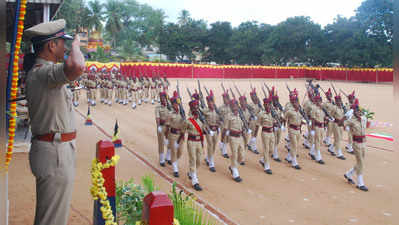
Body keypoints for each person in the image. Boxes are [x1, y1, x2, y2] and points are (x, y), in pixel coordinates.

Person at [24, 19, 85, 225]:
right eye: (62, 43)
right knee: (52, 219)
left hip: (55, 148)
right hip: (54, 151)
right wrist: (77, 45)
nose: (66, 47)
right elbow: (76, 66)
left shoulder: (43, 73)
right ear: (51, 45)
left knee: (54, 216)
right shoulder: (44, 72)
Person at [342, 99, 368, 191]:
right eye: (356, 111)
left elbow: (367, 124)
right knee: (360, 162)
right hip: (356, 143)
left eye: (359, 111)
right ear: (353, 112)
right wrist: (344, 118)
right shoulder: (351, 120)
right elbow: (342, 124)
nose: (358, 112)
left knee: (360, 162)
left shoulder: (364, 118)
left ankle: (349, 174)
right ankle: (360, 183)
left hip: (364, 143)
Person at [183, 99, 207, 191]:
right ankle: (195, 181)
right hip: (191, 141)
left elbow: (203, 130)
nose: (196, 108)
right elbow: (183, 130)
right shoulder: (189, 120)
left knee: (199, 161)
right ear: (191, 108)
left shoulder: (201, 119)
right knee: (193, 159)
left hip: (199, 142)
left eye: (197, 107)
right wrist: (190, 132)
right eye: (194, 107)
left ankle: (191, 172)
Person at [222, 99, 245, 182]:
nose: (235, 107)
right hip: (232, 137)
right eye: (233, 106)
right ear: (231, 107)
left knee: (241, 155)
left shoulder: (240, 115)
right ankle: (235, 172)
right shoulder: (228, 116)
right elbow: (225, 129)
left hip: (240, 137)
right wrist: (222, 141)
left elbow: (242, 127)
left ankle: (232, 166)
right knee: (234, 154)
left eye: (236, 105)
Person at [165, 91, 185, 177]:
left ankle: (174, 161)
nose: (177, 105)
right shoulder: (170, 114)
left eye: (178, 104)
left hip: (181, 135)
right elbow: (167, 126)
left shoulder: (182, 113)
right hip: (172, 135)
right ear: (172, 105)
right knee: (173, 151)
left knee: (180, 152)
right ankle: (175, 168)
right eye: (175, 104)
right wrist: (166, 137)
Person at [203, 90, 221, 172]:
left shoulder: (217, 110)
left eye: (212, 102)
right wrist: (206, 129)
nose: (210, 103)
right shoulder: (205, 111)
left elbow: (220, 119)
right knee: (210, 145)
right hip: (208, 130)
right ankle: (211, 163)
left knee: (214, 145)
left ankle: (208, 157)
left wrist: (219, 126)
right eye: (209, 102)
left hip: (216, 130)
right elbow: (203, 121)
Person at [257, 95, 275, 174]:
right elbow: (258, 124)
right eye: (267, 104)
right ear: (264, 105)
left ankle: (262, 160)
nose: (268, 106)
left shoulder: (273, 113)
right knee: (266, 149)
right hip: (265, 133)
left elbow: (276, 120)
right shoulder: (261, 114)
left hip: (271, 132)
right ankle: (266, 166)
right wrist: (254, 136)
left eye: (269, 104)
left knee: (271, 150)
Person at [155, 92, 170, 166]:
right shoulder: (158, 108)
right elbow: (157, 118)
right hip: (162, 126)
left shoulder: (169, 106)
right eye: (161, 98)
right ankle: (161, 159)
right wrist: (158, 127)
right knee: (161, 143)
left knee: (170, 142)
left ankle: (168, 157)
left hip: (169, 127)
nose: (162, 99)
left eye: (164, 98)